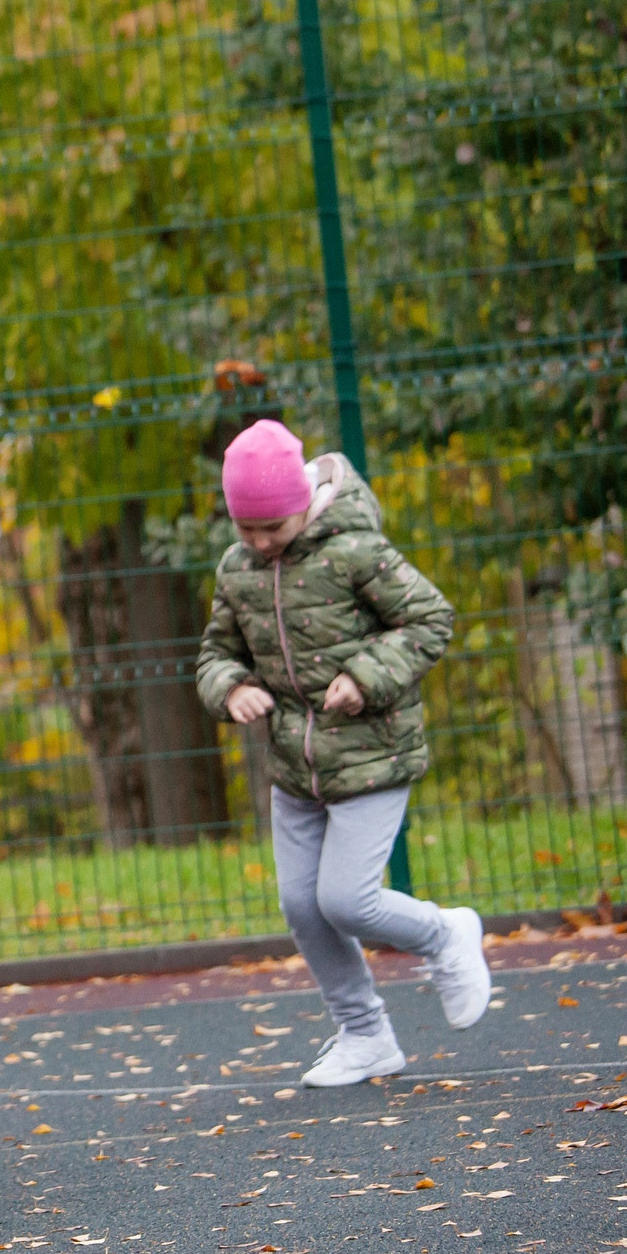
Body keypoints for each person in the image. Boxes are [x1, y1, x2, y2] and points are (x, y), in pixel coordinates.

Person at [197, 418, 487, 1087]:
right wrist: (232, 685)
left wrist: (364, 673)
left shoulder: (355, 549)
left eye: (274, 527)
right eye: (248, 530)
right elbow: (217, 651)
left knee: (347, 899)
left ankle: (446, 934)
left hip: (372, 754)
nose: (262, 542)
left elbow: (430, 618)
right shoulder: (238, 570)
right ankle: (365, 1034)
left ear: (303, 502)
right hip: (295, 767)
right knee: (302, 905)